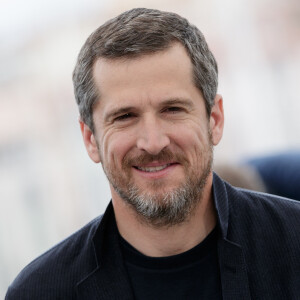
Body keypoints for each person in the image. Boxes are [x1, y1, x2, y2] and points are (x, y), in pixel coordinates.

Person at [6, 8, 300, 300]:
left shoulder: (293, 242)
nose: (153, 142)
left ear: (215, 120)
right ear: (90, 139)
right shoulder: (40, 292)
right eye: (125, 116)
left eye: (172, 109)